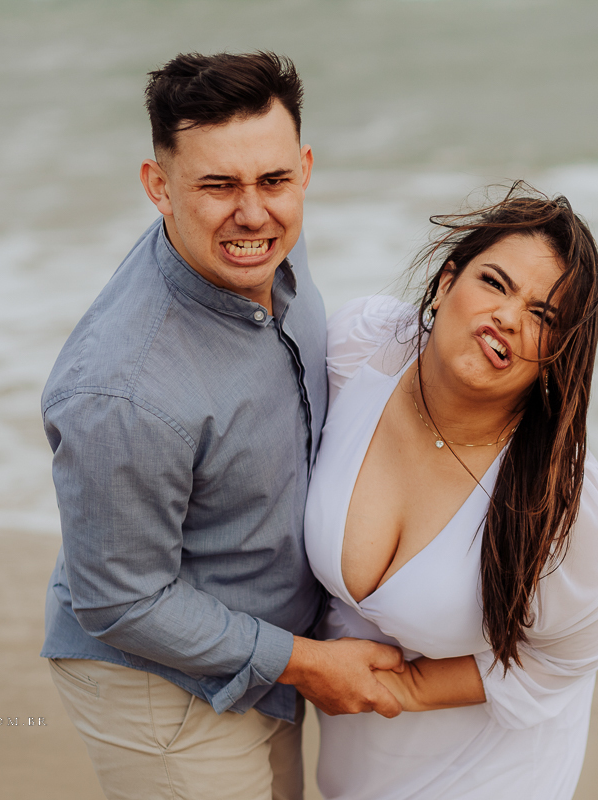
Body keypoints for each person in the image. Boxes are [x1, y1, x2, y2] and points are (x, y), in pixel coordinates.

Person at [38, 51, 403, 800]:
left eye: (273, 180)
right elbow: (121, 602)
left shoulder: (269, 244)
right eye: (218, 186)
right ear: (159, 187)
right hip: (159, 688)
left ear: (304, 168)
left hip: (269, 652)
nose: (252, 214)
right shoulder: (121, 394)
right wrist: (304, 659)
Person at [304, 185, 598, 799]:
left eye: (542, 315)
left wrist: (405, 688)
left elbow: (564, 658)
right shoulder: (360, 352)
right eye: (495, 283)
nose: (508, 317)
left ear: (557, 353)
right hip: (360, 758)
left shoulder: (565, 506)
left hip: (492, 773)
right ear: (445, 282)